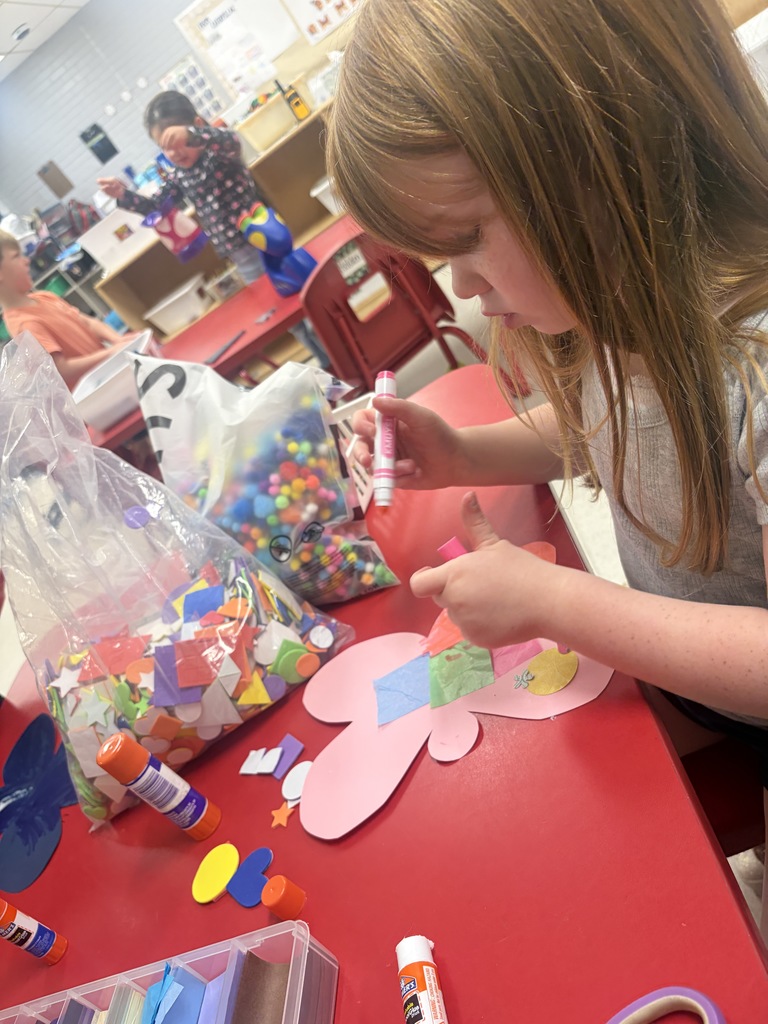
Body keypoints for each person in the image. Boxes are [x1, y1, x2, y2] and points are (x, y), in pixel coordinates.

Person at [330, 0, 768, 933]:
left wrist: (551, 602)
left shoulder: (754, 363)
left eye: (464, 241)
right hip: (686, 673)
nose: (459, 289)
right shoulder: (623, 305)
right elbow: (610, 425)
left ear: (607, 157)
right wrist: (464, 453)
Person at [97, 90, 328, 367]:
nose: (174, 152)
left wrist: (193, 134)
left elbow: (232, 141)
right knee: (282, 311)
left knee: (303, 296)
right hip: (240, 255)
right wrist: (123, 194)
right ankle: (324, 360)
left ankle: (333, 345)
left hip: (268, 238)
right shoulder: (180, 174)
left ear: (195, 125)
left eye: (177, 141)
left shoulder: (218, 153)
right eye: (164, 147)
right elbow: (156, 206)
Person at [0, 230, 135, 387]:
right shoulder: (23, 324)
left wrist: (118, 340)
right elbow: (61, 368)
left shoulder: (44, 296)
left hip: (112, 372)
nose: (26, 261)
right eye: (16, 256)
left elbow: (88, 322)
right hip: (97, 389)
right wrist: (111, 352)